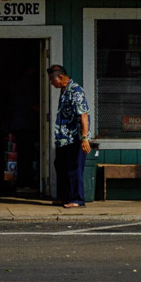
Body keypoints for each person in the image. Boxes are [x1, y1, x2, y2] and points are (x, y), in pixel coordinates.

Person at [47, 64, 90, 208]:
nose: (52, 84)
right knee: (60, 166)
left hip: (74, 137)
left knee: (74, 168)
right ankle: (64, 197)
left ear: (60, 77)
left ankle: (77, 199)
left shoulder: (75, 91)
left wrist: (84, 138)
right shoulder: (64, 91)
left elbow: (83, 115)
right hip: (63, 138)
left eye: (52, 80)